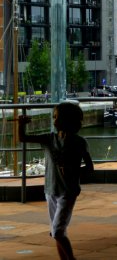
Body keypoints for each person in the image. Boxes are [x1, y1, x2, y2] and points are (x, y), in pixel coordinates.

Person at [19, 102, 94, 259]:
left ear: (67, 120)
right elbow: (23, 138)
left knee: (58, 231)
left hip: (68, 191)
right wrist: (21, 124)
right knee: (57, 232)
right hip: (50, 190)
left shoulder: (79, 142)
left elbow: (89, 168)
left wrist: (73, 171)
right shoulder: (49, 139)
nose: (53, 120)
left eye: (56, 117)